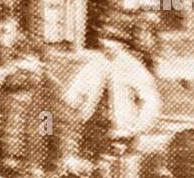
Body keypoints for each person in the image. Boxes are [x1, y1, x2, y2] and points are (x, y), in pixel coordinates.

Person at [63, 18, 162, 157]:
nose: (107, 46)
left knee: (117, 171)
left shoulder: (134, 68)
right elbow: (73, 93)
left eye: (113, 42)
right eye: (105, 40)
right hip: (91, 130)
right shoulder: (94, 65)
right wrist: (74, 112)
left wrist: (136, 127)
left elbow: (151, 102)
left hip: (121, 133)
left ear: (123, 44)